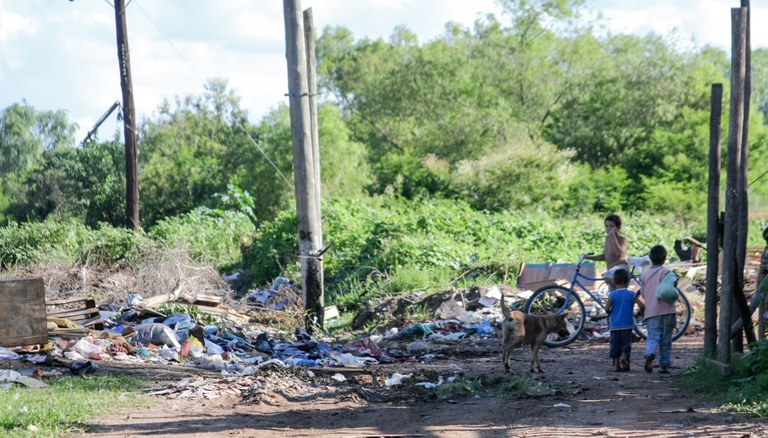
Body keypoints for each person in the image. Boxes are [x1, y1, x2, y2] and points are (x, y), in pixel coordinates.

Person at [639, 245, 676, 374]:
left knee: (653, 337)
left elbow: (643, 294)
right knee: (666, 339)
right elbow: (673, 286)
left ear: (650, 258)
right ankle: (664, 365)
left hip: (652, 312)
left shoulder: (644, 275)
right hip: (668, 311)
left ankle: (650, 353)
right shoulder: (667, 272)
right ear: (665, 258)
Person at [585, 214, 629, 290]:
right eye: (607, 226)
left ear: (618, 228)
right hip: (611, 271)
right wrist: (588, 257)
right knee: (612, 294)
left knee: (607, 276)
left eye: (611, 226)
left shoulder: (622, 239)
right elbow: (605, 256)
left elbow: (619, 254)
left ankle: (623, 292)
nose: (608, 228)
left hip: (621, 269)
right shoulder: (607, 239)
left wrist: (613, 237)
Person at [605, 268, 634, 372]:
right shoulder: (632, 294)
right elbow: (641, 305)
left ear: (614, 282)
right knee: (626, 344)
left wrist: (610, 314)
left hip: (615, 325)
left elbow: (607, 308)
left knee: (615, 345)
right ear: (628, 281)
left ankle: (617, 365)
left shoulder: (612, 295)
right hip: (627, 324)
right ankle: (625, 359)